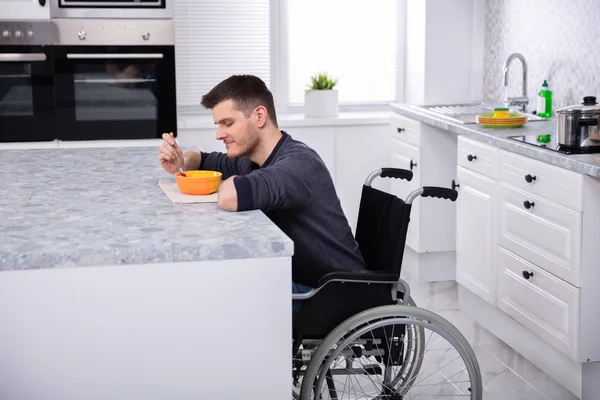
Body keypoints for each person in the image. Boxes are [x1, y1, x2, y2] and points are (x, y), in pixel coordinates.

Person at [157, 75, 366, 311]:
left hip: (331, 293)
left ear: (259, 116)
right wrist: (181, 161)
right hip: (305, 280)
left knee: (226, 293)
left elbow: (229, 197)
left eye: (227, 123)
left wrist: (234, 183)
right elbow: (204, 159)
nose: (219, 134)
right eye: (218, 125)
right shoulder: (255, 159)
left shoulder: (299, 164)